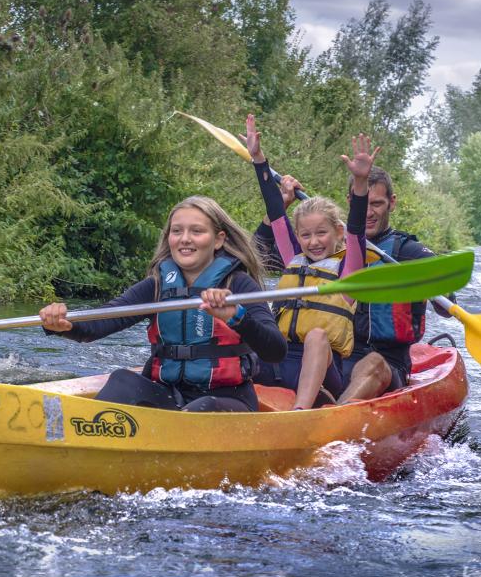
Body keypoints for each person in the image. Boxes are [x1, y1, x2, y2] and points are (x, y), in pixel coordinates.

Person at [38, 196, 286, 412]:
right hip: (169, 394)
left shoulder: (239, 285)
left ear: (218, 240)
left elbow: (275, 351)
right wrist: (63, 324)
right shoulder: (156, 286)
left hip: (227, 399)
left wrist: (236, 317)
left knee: (202, 408)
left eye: (197, 231)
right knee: (123, 380)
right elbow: (102, 321)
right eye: (177, 231)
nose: (185, 239)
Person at [256, 165, 439, 403]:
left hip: (386, 360)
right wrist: (281, 204)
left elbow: (446, 305)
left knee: (373, 364)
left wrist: (434, 289)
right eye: (365, 204)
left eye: (378, 204)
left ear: (391, 203)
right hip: (333, 357)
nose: (369, 213)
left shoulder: (410, 253)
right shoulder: (318, 251)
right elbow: (256, 254)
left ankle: (335, 418)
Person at [246, 114, 375, 410]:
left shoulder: (348, 269)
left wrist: (360, 182)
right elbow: (275, 212)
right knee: (245, 319)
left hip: (321, 374)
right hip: (276, 362)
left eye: (321, 233)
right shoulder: (294, 257)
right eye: (306, 235)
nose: (313, 241)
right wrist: (258, 158)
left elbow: (357, 230)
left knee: (317, 335)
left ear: (337, 233)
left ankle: (300, 413)